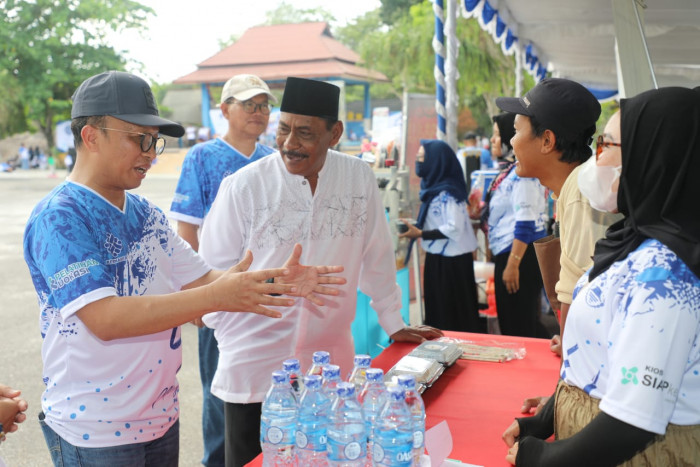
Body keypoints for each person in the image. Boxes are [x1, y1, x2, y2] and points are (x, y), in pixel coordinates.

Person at [23, 70, 342, 467]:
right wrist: (216, 296)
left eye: (154, 141)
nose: (150, 153)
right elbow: (104, 318)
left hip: (159, 418)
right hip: (96, 429)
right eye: (138, 139)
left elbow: (206, 279)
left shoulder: (146, 214)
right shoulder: (61, 217)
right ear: (91, 136)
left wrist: (278, 281)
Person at [197, 77, 443, 467]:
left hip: (329, 370)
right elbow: (209, 274)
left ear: (335, 133)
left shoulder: (358, 178)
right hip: (255, 368)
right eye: (283, 129)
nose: (290, 143)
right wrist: (268, 290)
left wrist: (394, 321)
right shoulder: (244, 186)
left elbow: (376, 255)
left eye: (305, 133)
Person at [502, 86, 700, 466]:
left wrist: (544, 458)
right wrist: (546, 420)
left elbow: (634, 421)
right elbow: (604, 359)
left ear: (652, 157)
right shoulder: (634, 240)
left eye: (607, 145)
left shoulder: (666, 278)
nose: (596, 159)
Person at [495, 78, 622, 412]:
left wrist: (559, 404)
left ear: (547, 141)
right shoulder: (576, 189)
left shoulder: (582, 195)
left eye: (517, 130)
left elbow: (578, 292)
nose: (510, 140)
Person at [169, 73, 277, 467]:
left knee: (269, 392)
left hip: (268, 293)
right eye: (249, 104)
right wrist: (194, 295)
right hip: (220, 296)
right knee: (220, 395)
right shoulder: (202, 157)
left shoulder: (272, 160)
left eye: (264, 105)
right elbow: (186, 229)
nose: (258, 112)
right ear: (224, 109)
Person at [399, 139, 484, 333]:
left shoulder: (448, 193)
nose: (418, 163)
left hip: (451, 263)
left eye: (422, 158)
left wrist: (421, 233)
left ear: (436, 162)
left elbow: (454, 228)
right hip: (437, 257)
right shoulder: (432, 190)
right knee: (437, 313)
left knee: (452, 316)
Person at [484, 116, 549, 338]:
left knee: (520, 326)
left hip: (519, 254)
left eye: (497, 134)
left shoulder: (523, 175)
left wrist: (513, 265)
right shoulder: (510, 171)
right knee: (513, 322)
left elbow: (525, 223)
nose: (492, 140)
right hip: (511, 252)